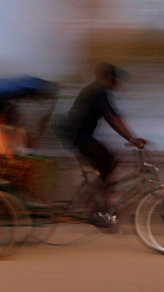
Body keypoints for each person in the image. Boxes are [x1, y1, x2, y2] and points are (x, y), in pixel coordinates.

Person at [64, 62, 146, 223]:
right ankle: (99, 203)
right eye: (117, 79)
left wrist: (131, 138)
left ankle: (97, 201)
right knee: (111, 161)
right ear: (109, 78)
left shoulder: (96, 91)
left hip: (79, 137)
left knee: (108, 163)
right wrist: (132, 139)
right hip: (80, 138)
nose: (119, 83)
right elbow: (113, 119)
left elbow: (113, 118)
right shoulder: (98, 92)